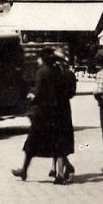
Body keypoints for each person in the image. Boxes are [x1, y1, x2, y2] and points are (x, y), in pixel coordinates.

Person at [15, 49, 77, 183]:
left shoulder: (42, 72)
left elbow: (38, 93)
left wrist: (31, 97)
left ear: (42, 59)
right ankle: (60, 173)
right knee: (58, 143)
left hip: (43, 113)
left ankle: (24, 170)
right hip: (59, 111)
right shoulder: (61, 72)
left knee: (32, 142)